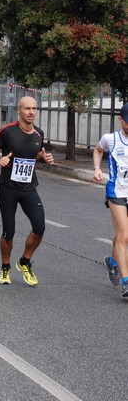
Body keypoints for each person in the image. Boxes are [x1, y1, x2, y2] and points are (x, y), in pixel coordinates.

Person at [0, 96, 54, 286]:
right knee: (9, 232)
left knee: (39, 227)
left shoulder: (38, 133)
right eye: (27, 109)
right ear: (19, 111)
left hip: (29, 187)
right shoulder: (7, 131)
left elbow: (37, 153)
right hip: (8, 188)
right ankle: (5, 266)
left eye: (34, 109)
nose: (31, 112)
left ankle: (24, 261)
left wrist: (44, 157)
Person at [93, 102, 128, 299]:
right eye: (127, 122)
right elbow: (98, 150)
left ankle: (113, 262)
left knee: (124, 236)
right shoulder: (111, 139)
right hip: (116, 192)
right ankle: (126, 281)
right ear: (120, 120)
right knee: (124, 235)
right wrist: (97, 168)